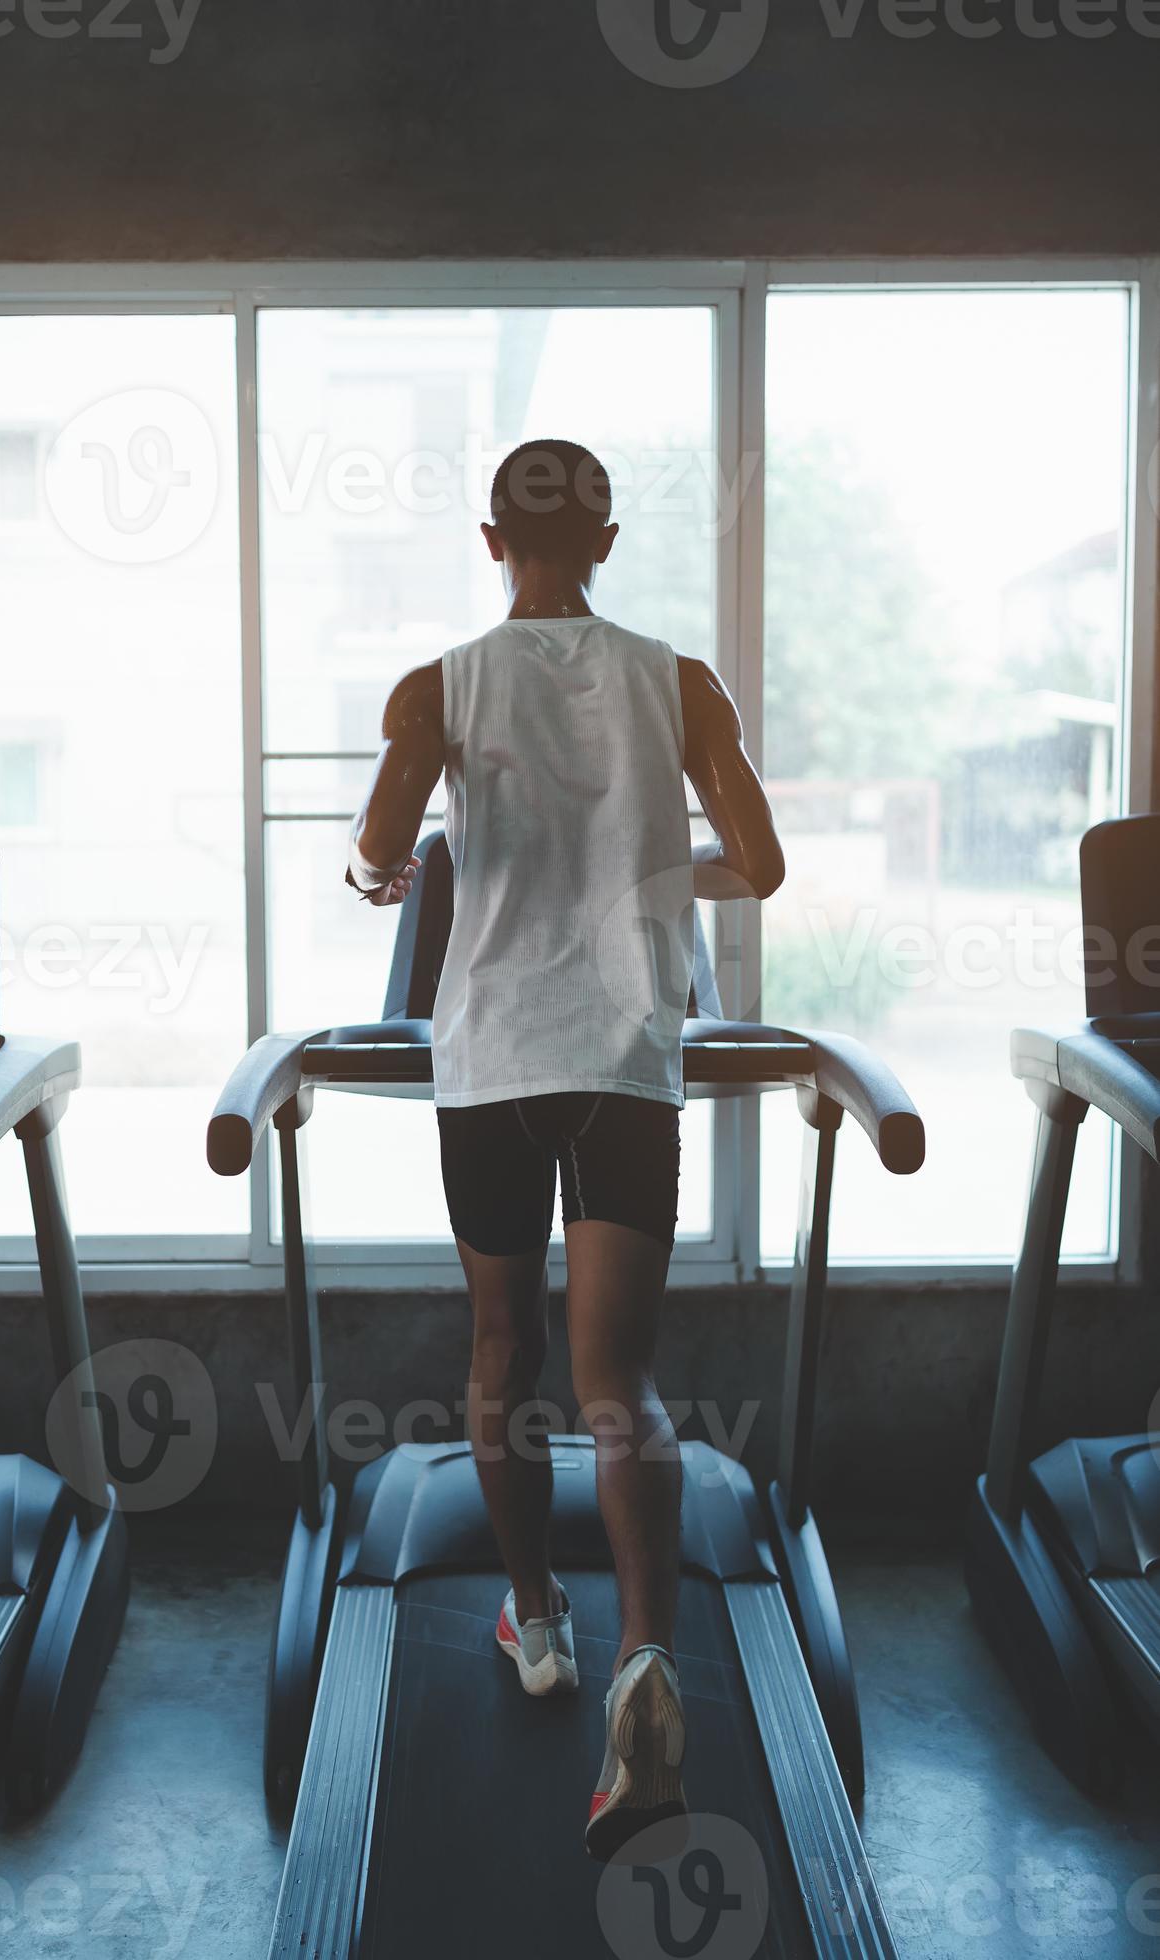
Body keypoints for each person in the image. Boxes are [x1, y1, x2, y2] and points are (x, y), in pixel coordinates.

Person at [344, 437, 784, 1861]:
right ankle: (647, 1660)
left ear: (492, 542)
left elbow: (377, 854)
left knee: (500, 1358)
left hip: (490, 1062)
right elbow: (762, 864)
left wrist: (391, 863)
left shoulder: (440, 687)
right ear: (604, 537)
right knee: (623, 1388)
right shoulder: (682, 681)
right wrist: (650, 864)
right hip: (625, 1060)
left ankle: (540, 1627)